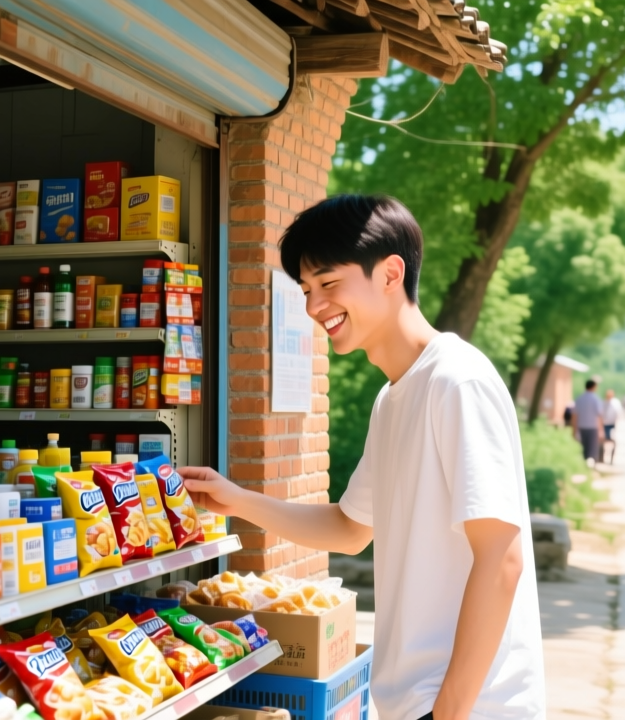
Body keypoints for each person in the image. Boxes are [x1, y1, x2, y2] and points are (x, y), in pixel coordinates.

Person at [178, 195, 545, 720]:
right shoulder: (393, 397)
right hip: (413, 701)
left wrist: (448, 712)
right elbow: (351, 528)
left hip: (469, 707)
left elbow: (501, 558)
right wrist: (236, 500)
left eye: (328, 283)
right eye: (307, 290)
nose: (313, 306)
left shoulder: (456, 381)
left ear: (391, 273)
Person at [571, 379, 604, 463]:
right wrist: (601, 430)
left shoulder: (579, 398)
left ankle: (584, 464)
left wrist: (574, 430)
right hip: (593, 427)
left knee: (583, 449)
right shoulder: (596, 399)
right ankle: (591, 465)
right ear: (594, 387)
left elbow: (574, 415)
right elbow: (599, 415)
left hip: (581, 426)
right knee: (592, 449)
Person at [602, 389, 622, 464]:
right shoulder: (603, 403)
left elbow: (619, 413)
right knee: (604, 442)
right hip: (604, 424)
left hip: (612, 424)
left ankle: (611, 458)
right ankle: (603, 457)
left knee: (612, 441)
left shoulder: (616, 403)